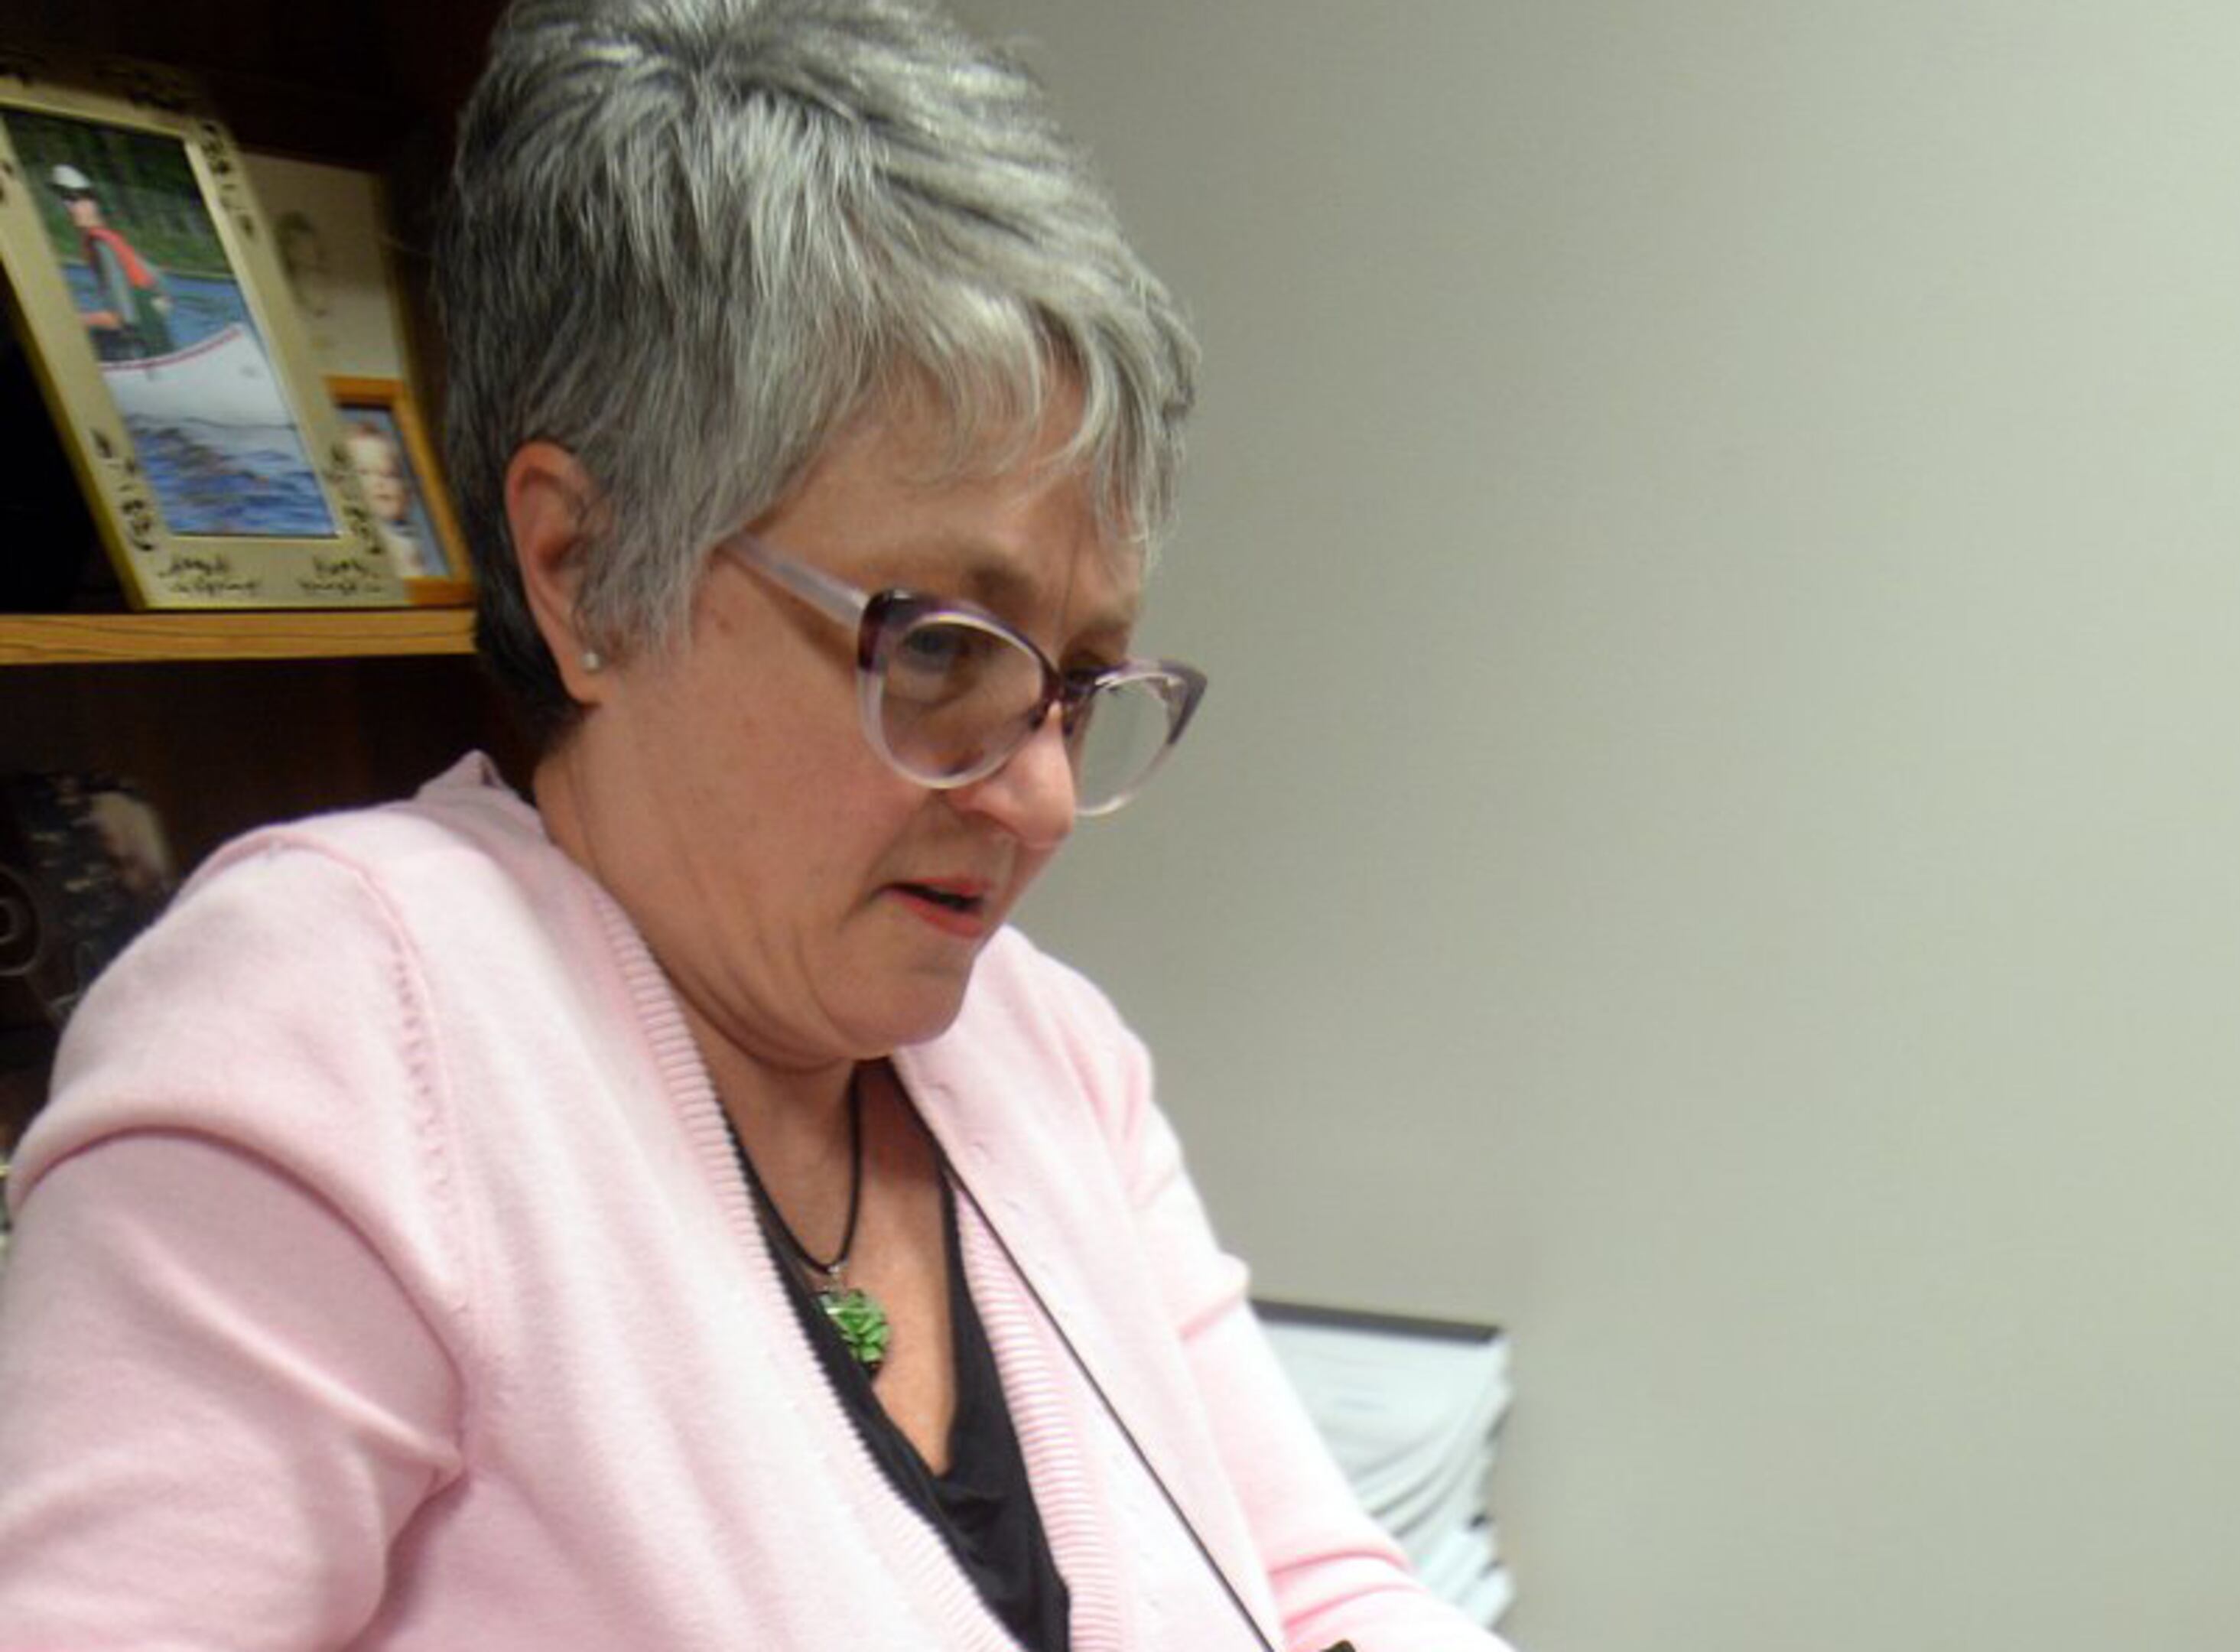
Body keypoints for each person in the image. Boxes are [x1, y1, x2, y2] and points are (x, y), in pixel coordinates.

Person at [0, 3, 1515, 1648]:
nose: (1045, 798)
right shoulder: (344, 1030)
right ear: (585, 567)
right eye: (941, 651)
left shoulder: (1047, 1058)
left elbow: (1321, 1595)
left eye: (1076, 686)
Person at [49, 164, 174, 362]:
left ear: (93, 204)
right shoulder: (110, 238)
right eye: (66, 201)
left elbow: (123, 318)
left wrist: (76, 321)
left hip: (141, 342)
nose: (70, 208)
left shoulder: (101, 244)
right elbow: (158, 278)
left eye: (76, 200)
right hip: (153, 334)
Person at [343, 415, 446, 578]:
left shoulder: (420, 544)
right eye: (364, 473)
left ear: (407, 491)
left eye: (390, 474)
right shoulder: (364, 542)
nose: (380, 483)